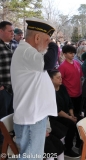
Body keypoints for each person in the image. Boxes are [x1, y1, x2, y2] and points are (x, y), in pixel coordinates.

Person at [11, 18, 58, 159]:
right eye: (47, 41)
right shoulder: (26, 52)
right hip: (31, 117)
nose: (48, 45)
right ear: (37, 37)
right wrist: (54, 46)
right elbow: (49, 62)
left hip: (35, 116)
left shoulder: (31, 53)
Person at [48, 69, 81, 158]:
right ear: (51, 79)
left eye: (61, 77)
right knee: (71, 124)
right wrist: (70, 118)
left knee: (80, 119)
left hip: (67, 113)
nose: (61, 79)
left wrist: (72, 115)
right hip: (56, 116)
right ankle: (67, 148)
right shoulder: (49, 91)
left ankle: (79, 144)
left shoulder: (62, 87)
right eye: (58, 78)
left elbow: (69, 102)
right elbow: (57, 110)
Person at [0, 21, 14, 147]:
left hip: (13, 88)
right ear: (1, 31)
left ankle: (9, 144)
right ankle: (2, 146)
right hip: (2, 90)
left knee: (10, 117)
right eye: (10, 31)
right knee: (2, 119)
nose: (12, 33)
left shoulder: (13, 45)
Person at [58, 45, 83, 116]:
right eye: (70, 53)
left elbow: (81, 77)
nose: (73, 54)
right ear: (65, 54)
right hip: (69, 95)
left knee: (78, 114)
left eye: (73, 53)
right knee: (71, 115)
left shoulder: (77, 63)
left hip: (79, 93)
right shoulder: (62, 67)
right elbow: (59, 81)